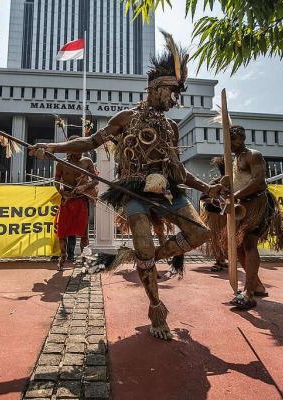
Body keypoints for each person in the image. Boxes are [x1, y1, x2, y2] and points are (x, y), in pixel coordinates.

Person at [30, 31, 222, 340]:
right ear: (155, 88)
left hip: (168, 191)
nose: (174, 101)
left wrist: (208, 187)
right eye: (171, 93)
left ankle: (142, 257)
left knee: (201, 233)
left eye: (178, 95)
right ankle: (156, 308)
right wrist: (53, 147)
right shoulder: (126, 118)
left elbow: (180, 172)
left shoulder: (171, 127)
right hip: (133, 191)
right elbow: (91, 141)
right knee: (144, 243)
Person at [224, 126, 283, 310]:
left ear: (242, 138)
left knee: (249, 245)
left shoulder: (253, 155)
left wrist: (235, 195)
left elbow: (259, 181)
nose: (230, 145)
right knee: (239, 247)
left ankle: (249, 293)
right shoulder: (234, 159)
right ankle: (257, 285)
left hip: (258, 204)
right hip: (244, 205)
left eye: (233, 140)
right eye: (228, 141)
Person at [54, 135, 99, 270]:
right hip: (67, 200)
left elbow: (95, 180)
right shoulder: (61, 163)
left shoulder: (87, 162)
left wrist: (84, 187)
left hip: (81, 201)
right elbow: (56, 181)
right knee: (62, 232)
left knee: (84, 233)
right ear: (70, 149)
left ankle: (84, 260)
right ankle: (63, 257)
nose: (79, 153)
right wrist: (62, 192)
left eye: (81, 150)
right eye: (77, 150)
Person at [199, 156, 228, 272]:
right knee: (216, 238)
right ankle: (218, 260)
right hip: (214, 215)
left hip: (227, 215)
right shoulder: (214, 182)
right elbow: (203, 198)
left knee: (226, 238)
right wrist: (214, 201)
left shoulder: (234, 183)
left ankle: (223, 259)